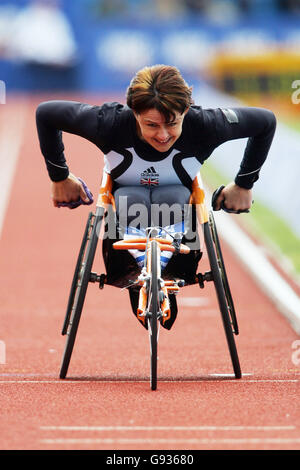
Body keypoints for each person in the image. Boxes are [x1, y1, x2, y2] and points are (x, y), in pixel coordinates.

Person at [36, 64, 276, 329]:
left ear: (185, 111)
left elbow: (265, 122)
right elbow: (46, 113)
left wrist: (243, 184)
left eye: (172, 123)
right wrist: (59, 178)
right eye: (151, 125)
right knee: (131, 196)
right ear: (134, 112)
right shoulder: (109, 122)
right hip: (122, 227)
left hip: (181, 231)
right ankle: (138, 270)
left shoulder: (206, 124)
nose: (163, 136)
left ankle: (164, 270)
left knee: (173, 195)